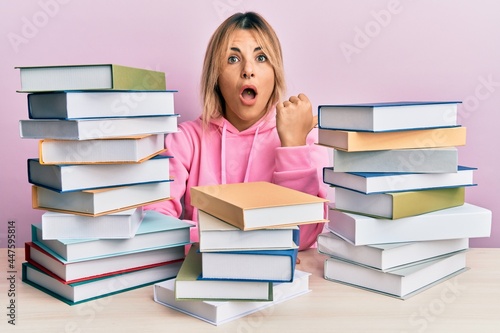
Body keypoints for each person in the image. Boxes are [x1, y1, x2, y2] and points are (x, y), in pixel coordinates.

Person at [145, 11, 329, 250]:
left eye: (261, 58)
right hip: (205, 276)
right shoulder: (186, 140)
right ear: (216, 76)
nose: (248, 70)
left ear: (275, 73)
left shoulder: (306, 139)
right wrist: (242, 241)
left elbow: (302, 238)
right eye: (232, 59)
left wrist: (293, 145)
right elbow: (155, 222)